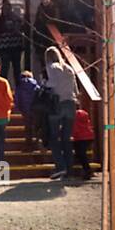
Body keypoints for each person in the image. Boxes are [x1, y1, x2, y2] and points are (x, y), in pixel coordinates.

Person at [44, 45, 80, 181]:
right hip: (70, 103)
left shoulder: (52, 67)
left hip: (57, 103)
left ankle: (60, 166)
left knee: (54, 137)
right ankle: (69, 169)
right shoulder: (69, 68)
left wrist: (43, 83)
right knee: (66, 138)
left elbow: (52, 83)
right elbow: (76, 90)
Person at [0, 0, 24, 84]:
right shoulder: (16, 18)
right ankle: (19, 89)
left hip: (5, 47)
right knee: (16, 70)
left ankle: (2, 89)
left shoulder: (0, 20)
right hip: (15, 47)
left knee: (5, 70)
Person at [71, 93, 96, 181]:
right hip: (88, 136)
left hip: (81, 137)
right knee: (81, 154)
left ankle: (87, 170)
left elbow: (75, 128)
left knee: (81, 154)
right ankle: (86, 170)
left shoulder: (75, 115)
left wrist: (71, 135)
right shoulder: (84, 113)